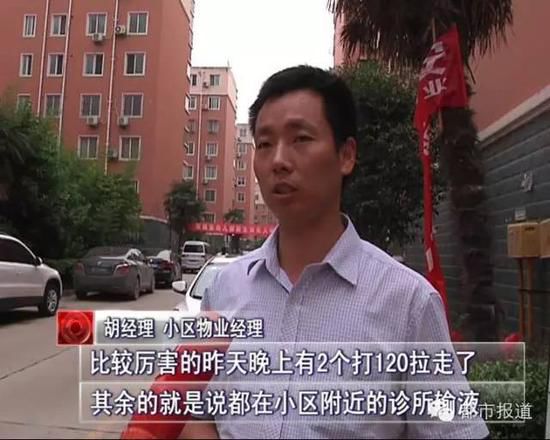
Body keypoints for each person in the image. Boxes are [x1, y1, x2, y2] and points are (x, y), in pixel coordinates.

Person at [180, 65, 490, 439]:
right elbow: (197, 415)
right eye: (264, 144)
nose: (278, 160)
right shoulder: (224, 289)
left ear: (346, 155)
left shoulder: (408, 302)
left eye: (300, 139)